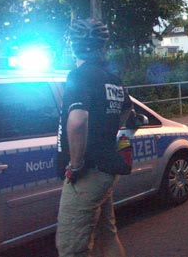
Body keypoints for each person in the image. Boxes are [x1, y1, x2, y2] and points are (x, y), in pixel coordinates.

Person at [56, 18, 132, 257]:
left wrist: (75, 165)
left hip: (86, 172)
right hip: (106, 168)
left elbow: (77, 121)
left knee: (71, 247)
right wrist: (107, 130)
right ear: (102, 46)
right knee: (106, 233)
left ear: (72, 45)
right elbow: (128, 112)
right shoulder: (112, 79)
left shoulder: (79, 76)